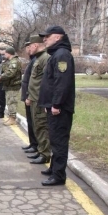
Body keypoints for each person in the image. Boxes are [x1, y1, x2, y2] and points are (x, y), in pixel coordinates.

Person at [38, 25, 76, 186]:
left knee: (59, 141)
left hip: (59, 108)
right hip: (54, 107)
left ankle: (58, 176)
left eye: (48, 36)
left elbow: (62, 83)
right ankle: (54, 168)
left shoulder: (62, 55)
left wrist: (56, 104)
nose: (44, 39)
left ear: (58, 37)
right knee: (54, 139)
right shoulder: (56, 54)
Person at [25, 35, 52, 165]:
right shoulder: (38, 58)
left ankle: (45, 154)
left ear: (35, 45)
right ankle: (41, 150)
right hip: (34, 98)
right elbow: (34, 80)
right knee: (37, 126)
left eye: (30, 46)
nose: (29, 48)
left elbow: (47, 81)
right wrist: (30, 96)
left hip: (40, 99)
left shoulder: (45, 58)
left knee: (42, 126)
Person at [20, 43, 38, 153]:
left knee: (34, 123)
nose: (27, 49)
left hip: (31, 96)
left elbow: (34, 81)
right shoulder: (32, 60)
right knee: (30, 122)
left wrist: (29, 96)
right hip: (28, 95)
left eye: (29, 47)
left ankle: (35, 145)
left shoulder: (36, 60)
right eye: (26, 47)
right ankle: (32, 143)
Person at [0, 47, 22, 126]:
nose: (4, 54)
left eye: (5, 53)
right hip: (9, 85)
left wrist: (1, 77)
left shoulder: (14, 61)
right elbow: (3, 68)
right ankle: (11, 117)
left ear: (9, 53)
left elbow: (10, 72)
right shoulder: (9, 61)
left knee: (12, 101)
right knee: (9, 102)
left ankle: (13, 119)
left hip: (13, 85)